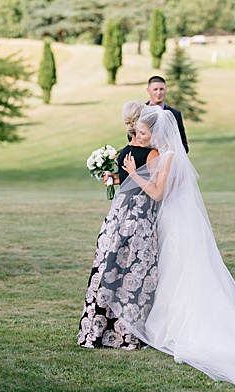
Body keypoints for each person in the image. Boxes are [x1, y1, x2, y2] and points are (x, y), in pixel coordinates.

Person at [101, 106, 235, 392]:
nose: (140, 137)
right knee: (173, 272)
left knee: (180, 272)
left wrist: (133, 174)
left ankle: (180, 328)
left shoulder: (170, 156)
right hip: (172, 219)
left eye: (144, 133)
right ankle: (168, 322)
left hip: (176, 224)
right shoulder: (167, 155)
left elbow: (159, 192)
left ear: (156, 133)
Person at [78, 102, 160, 350]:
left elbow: (123, 182)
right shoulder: (152, 155)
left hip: (115, 220)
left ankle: (96, 331)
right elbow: (156, 190)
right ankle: (129, 334)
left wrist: (113, 178)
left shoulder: (124, 151)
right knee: (134, 276)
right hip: (139, 220)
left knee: (109, 272)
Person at [144, 75, 188, 152]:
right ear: (148, 90)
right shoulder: (142, 111)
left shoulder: (175, 114)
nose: (159, 92)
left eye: (161, 89)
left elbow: (183, 143)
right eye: (155, 89)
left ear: (166, 90)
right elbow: (132, 138)